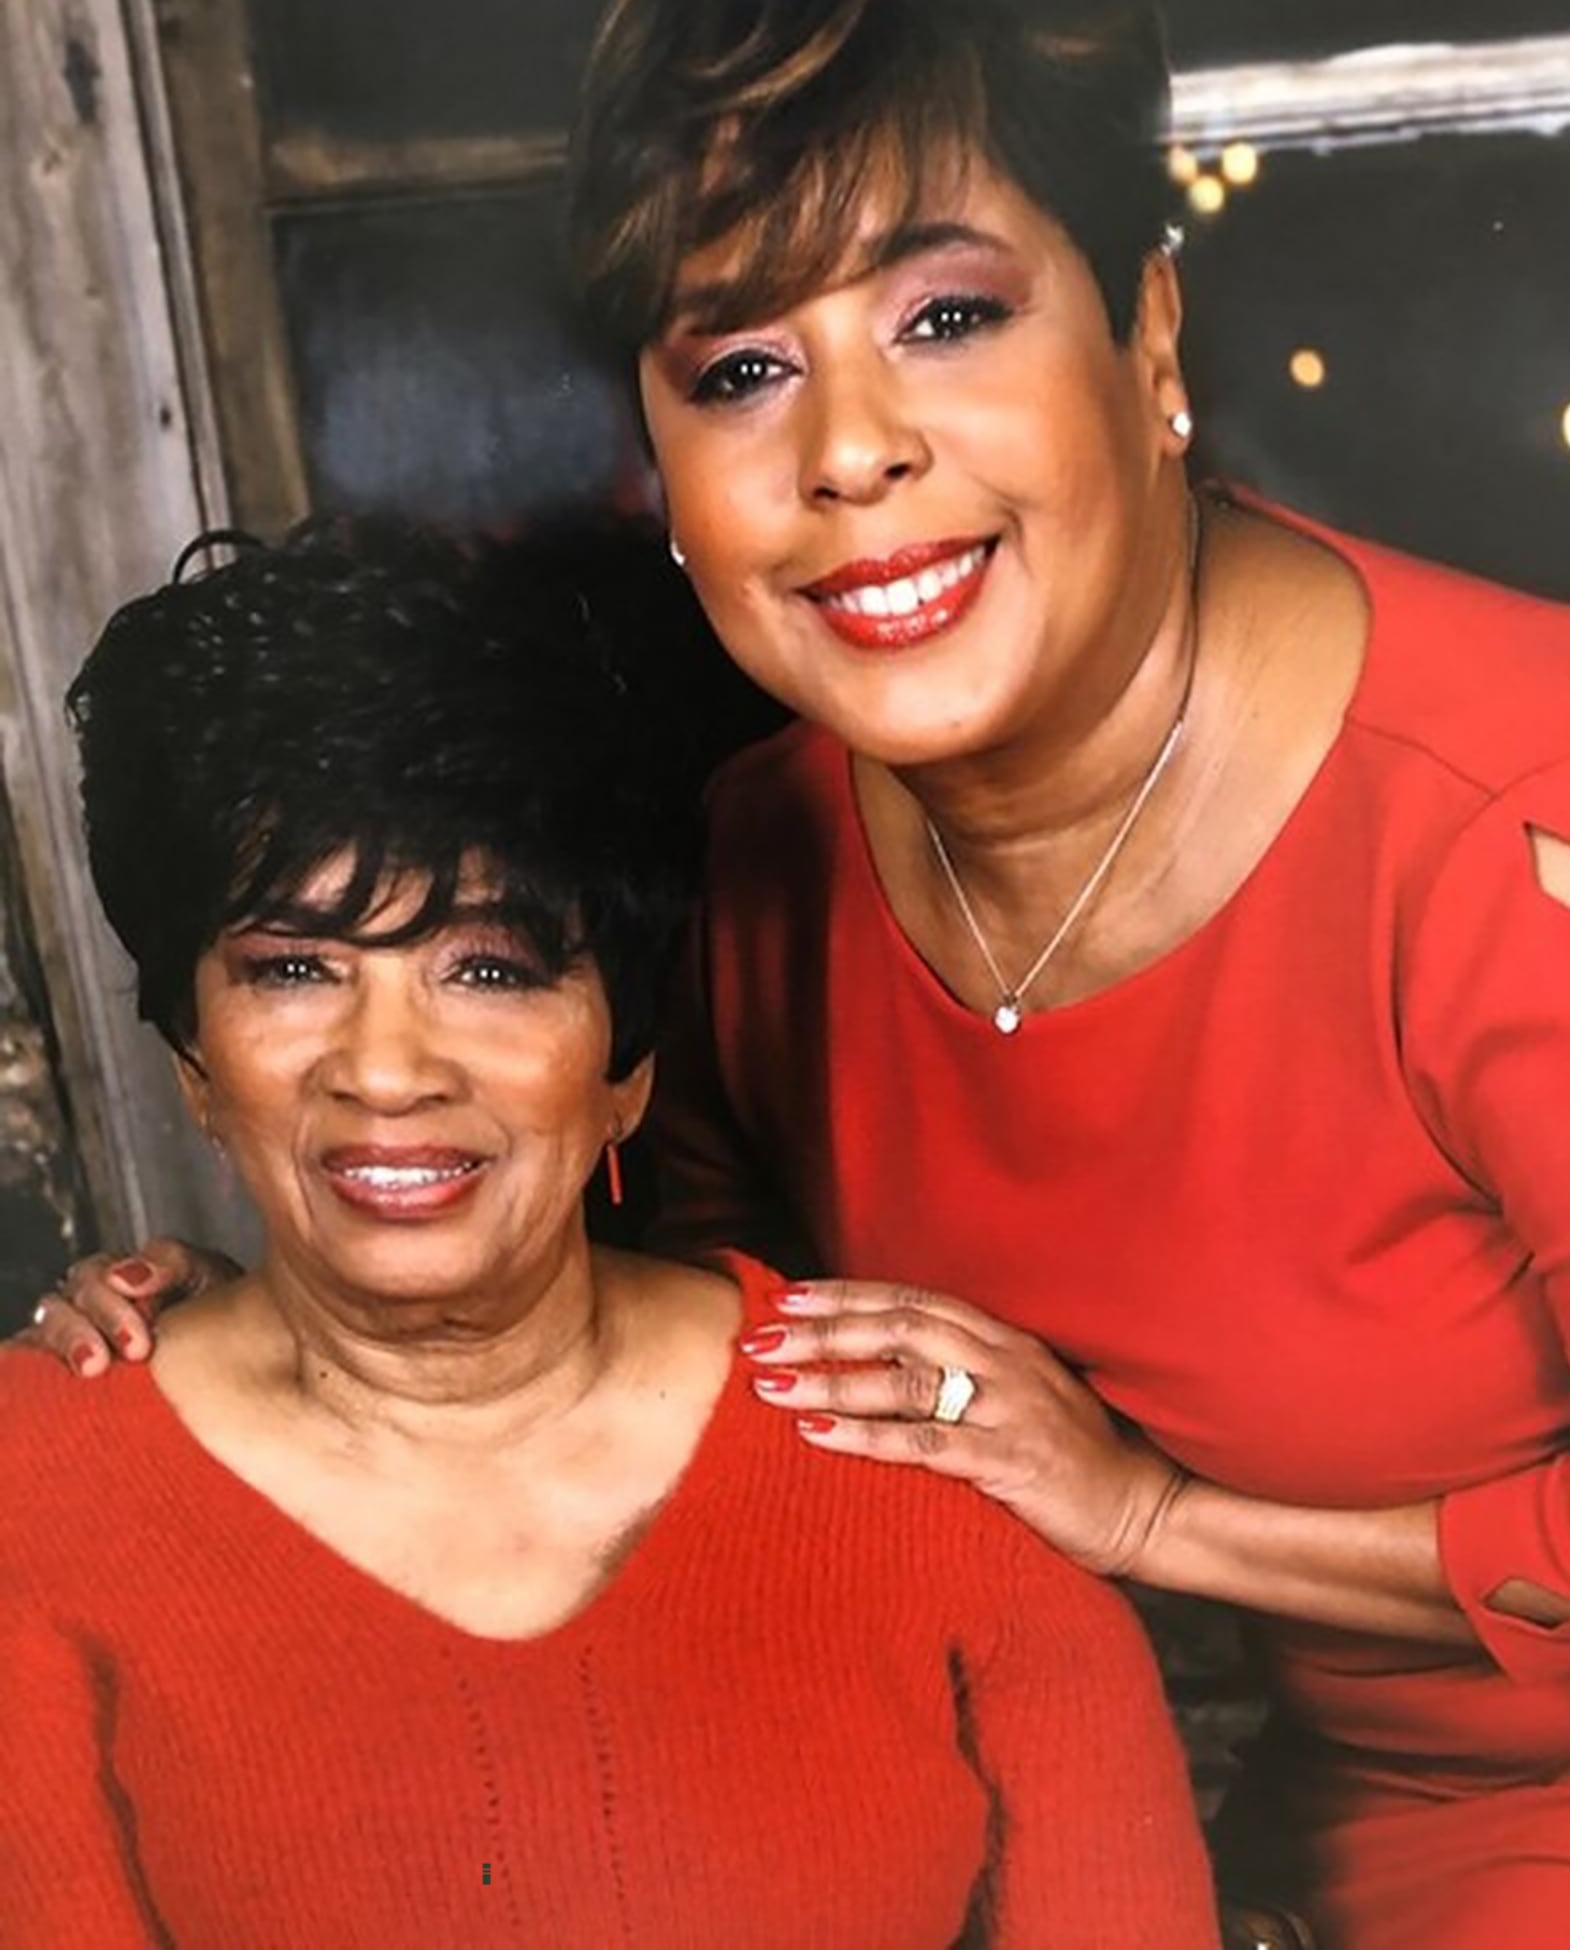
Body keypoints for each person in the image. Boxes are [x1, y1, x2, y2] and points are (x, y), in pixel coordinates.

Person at [32, 0, 1570, 1950]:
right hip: (1217, 1814)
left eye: (944, 316)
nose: (848, 448)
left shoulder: (1528, 827)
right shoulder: (758, 863)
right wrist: (226, 1329)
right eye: (742, 366)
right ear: (661, 460)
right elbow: (620, 1326)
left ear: (1145, 337)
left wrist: (1149, 1512)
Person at [0, 518, 1216, 1948]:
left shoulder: (927, 1454)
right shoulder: (37, 1499)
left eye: (490, 967)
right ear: (195, 1062)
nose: (387, 1069)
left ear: (626, 1060)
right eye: (293, 969)